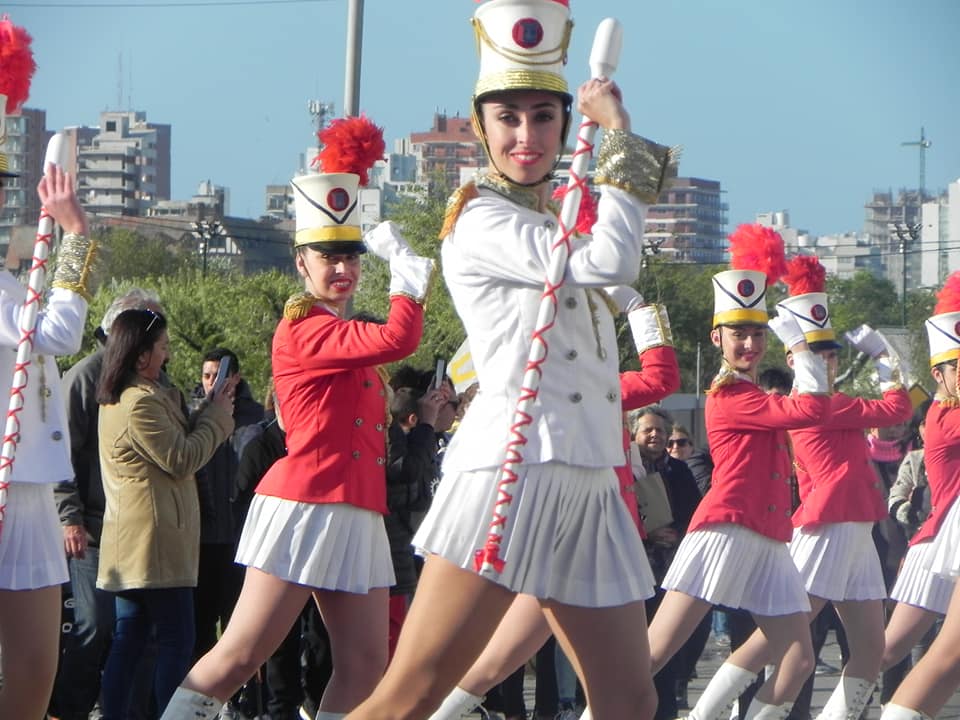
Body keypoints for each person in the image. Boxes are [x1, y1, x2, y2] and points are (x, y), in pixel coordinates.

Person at [348, 3, 676, 718]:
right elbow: (612, 259)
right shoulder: (480, 219)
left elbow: (612, 276)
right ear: (480, 126)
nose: (526, 135)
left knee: (629, 700)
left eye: (543, 117)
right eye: (508, 117)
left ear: (563, 124)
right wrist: (618, 134)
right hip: (511, 471)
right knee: (409, 696)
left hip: (589, 478)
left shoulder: (549, 216)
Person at [160, 114, 434, 720]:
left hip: (357, 507)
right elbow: (399, 338)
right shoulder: (304, 328)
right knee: (242, 654)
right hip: (307, 503)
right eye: (327, 255)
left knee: (365, 666)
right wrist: (408, 274)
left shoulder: (341, 329)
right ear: (300, 263)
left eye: (351, 255)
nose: (342, 267)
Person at [426, 287, 681, 720]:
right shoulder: (559, 389)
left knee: (496, 664)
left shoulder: (597, 385)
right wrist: (638, 309)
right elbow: (661, 379)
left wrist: (637, 308)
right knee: (629, 696)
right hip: (578, 541)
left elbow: (661, 381)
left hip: (595, 537)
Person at [646, 223, 830, 720]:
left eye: (756, 333)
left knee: (798, 658)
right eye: (738, 334)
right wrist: (802, 341)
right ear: (717, 338)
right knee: (653, 655)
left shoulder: (753, 392)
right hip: (725, 530)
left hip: (769, 538)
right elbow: (809, 408)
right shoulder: (730, 395)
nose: (749, 343)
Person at [719, 254, 913, 720]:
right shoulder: (814, 406)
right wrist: (886, 363)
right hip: (825, 526)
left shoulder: (838, 402)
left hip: (856, 527)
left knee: (870, 648)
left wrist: (888, 362)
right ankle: (708, 714)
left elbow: (896, 411)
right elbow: (894, 409)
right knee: (777, 641)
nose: (827, 361)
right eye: (816, 353)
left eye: (831, 354)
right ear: (794, 357)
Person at [0, 32, 99, 714]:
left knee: (37, 670)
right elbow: (60, 331)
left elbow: (49, 334)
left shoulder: (7, 285)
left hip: (26, 488)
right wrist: (77, 235)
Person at [95, 309, 236, 719]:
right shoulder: (139, 403)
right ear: (141, 356)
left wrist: (206, 410)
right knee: (177, 638)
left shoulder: (135, 396)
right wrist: (218, 419)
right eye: (163, 347)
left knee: (132, 637)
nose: (168, 355)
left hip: (139, 545)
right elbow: (181, 457)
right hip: (155, 543)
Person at [49, 287, 164, 720]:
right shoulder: (83, 376)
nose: (160, 341)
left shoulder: (156, 383)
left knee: (140, 635)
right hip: (91, 531)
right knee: (92, 628)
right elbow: (58, 455)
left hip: (139, 533)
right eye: (150, 327)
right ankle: (67, 711)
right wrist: (69, 518)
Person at [879, 272, 960, 720]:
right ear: (938, 373)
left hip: (943, 533)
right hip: (940, 534)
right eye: (959, 365)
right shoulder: (942, 417)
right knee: (932, 656)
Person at [629, 406, 705, 719]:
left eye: (661, 430)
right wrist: (647, 535)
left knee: (665, 647)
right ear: (634, 434)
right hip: (631, 569)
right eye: (648, 429)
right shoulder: (622, 470)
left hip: (668, 569)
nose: (655, 435)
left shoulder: (679, 470)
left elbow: (694, 513)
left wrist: (677, 534)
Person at [191, 347, 265, 662]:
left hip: (242, 534)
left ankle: (241, 700)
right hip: (202, 536)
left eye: (219, 375)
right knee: (200, 622)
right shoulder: (191, 414)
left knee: (239, 623)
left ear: (235, 377)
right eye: (207, 376)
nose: (212, 382)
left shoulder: (256, 417)